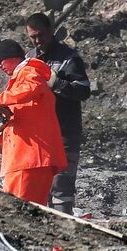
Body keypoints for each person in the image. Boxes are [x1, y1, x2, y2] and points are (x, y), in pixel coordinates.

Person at [23, 13, 90, 213]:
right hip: (40, 135)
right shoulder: (29, 58)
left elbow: (83, 90)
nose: (37, 41)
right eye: (32, 37)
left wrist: (57, 84)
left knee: (62, 184)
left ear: (51, 31)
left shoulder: (68, 58)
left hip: (64, 132)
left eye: (41, 35)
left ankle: (63, 227)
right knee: (41, 185)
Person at [0, 38, 68, 206]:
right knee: (31, 213)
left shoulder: (28, 71)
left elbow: (33, 88)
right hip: (31, 159)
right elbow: (23, 120)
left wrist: (2, 98)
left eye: (0, 61)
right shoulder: (22, 78)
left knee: (17, 211)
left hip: (28, 160)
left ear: (12, 57)